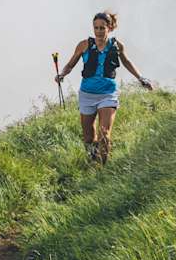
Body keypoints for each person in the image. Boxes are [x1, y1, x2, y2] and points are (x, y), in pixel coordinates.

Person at [55, 10, 152, 164]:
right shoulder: (84, 45)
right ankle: (93, 161)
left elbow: (127, 62)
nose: (99, 31)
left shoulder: (117, 45)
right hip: (87, 95)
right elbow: (70, 65)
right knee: (88, 137)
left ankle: (102, 168)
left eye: (102, 28)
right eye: (96, 28)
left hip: (108, 94)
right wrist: (62, 74)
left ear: (110, 28)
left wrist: (141, 78)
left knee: (104, 134)